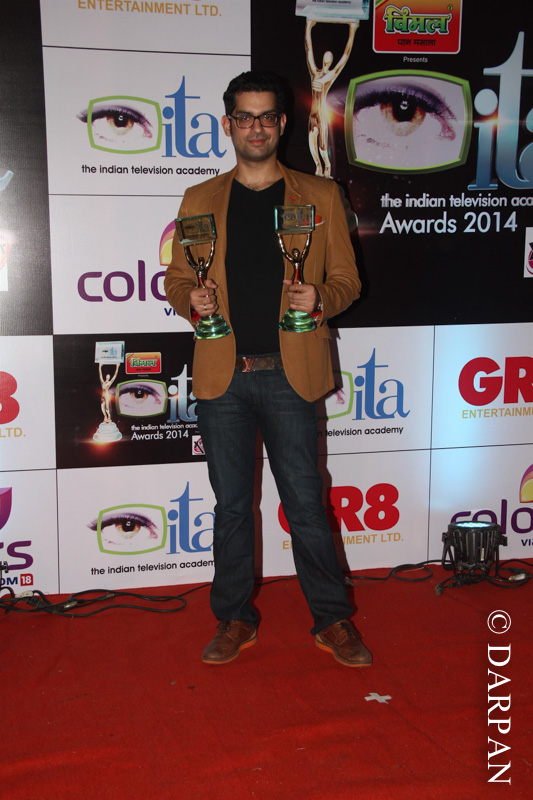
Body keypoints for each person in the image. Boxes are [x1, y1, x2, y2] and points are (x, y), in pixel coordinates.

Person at [164, 70, 371, 668]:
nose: (255, 127)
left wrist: (321, 299)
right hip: (221, 374)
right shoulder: (199, 198)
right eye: (244, 117)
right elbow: (177, 278)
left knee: (305, 503)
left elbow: (349, 280)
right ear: (227, 125)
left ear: (281, 124)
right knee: (231, 507)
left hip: (290, 372)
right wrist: (189, 300)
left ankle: (332, 620)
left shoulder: (320, 196)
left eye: (265, 117)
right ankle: (234, 618)